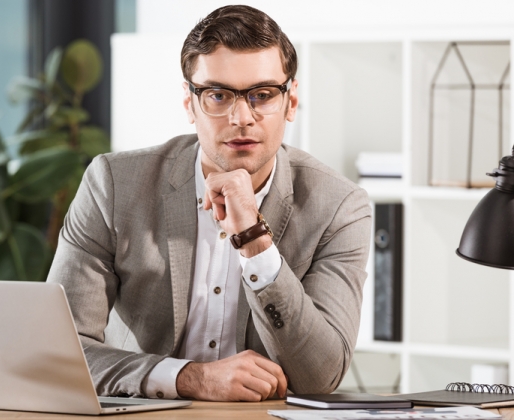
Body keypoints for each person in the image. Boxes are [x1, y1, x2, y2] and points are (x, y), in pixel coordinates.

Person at [46, 4, 372, 402]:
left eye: (263, 95)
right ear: (189, 103)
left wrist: (255, 241)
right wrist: (190, 378)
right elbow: (57, 350)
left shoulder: (340, 207)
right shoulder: (114, 185)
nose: (241, 117)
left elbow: (322, 375)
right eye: (218, 95)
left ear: (291, 102)